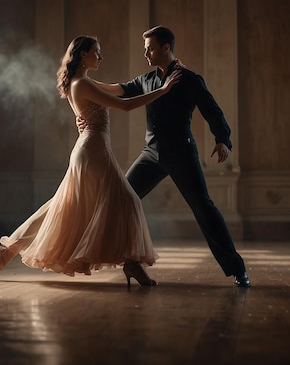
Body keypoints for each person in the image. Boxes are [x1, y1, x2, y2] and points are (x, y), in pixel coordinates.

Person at [0, 35, 181, 286]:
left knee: (62, 207)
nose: (100, 56)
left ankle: (6, 253)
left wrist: (150, 83)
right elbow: (124, 106)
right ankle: (132, 264)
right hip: (92, 150)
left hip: (92, 149)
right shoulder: (81, 84)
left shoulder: (84, 82)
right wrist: (163, 91)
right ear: (82, 55)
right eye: (96, 52)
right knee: (128, 201)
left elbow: (119, 89)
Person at [84, 25, 250, 287]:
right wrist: (86, 83)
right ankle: (130, 262)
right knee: (120, 197)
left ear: (165, 48)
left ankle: (237, 270)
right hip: (150, 154)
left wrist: (222, 140)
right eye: (145, 48)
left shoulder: (189, 79)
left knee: (204, 208)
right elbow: (120, 89)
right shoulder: (146, 80)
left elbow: (213, 111)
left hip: (181, 153)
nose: (146, 53)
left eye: (150, 48)